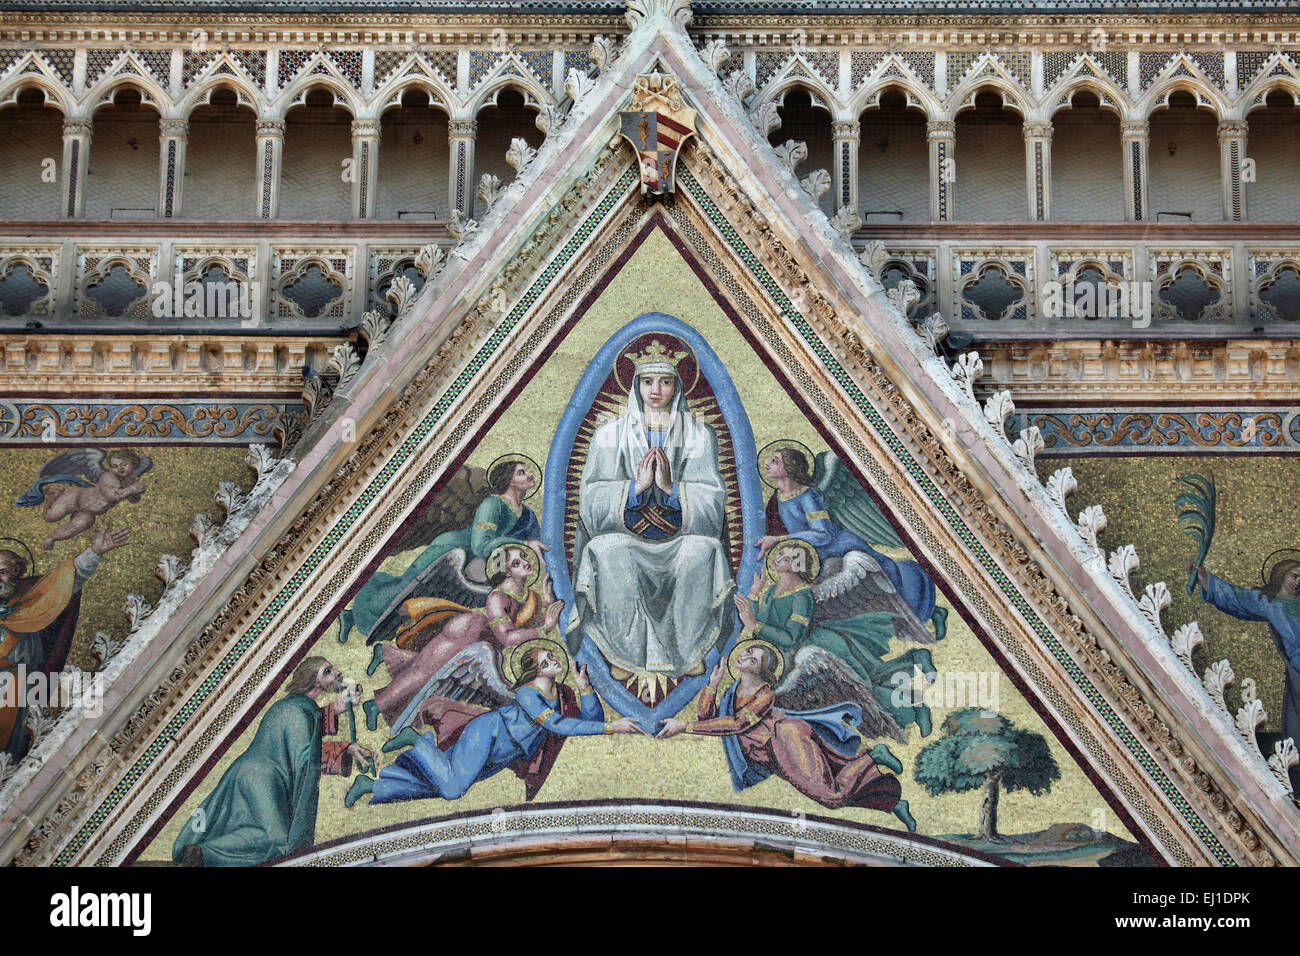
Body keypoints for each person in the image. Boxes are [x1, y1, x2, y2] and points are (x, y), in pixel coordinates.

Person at [566, 338, 734, 686]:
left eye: (665, 381)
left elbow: (713, 499)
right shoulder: (608, 435)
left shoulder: (700, 435)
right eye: (647, 381)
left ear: (678, 386)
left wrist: (673, 491)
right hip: (628, 537)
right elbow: (591, 499)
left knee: (702, 551)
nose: (656, 390)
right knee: (606, 550)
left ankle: (686, 653)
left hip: (681, 538)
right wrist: (633, 489)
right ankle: (623, 653)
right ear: (635, 385)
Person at [656, 641, 917, 831]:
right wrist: (712, 685)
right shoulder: (732, 692)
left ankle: (874, 755)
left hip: (785, 738)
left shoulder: (764, 695)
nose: (745, 656)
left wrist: (683, 726)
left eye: (753, 658)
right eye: (747, 652)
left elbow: (736, 724)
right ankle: (894, 803)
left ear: (761, 670)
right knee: (837, 778)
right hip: (774, 754)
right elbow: (709, 721)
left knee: (830, 795)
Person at [346, 641, 642, 807]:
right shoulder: (528, 693)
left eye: (553, 657)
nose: (554, 660)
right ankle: (415, 739)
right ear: (535, 669)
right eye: (547, 658)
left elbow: (592, 721)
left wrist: (586, 687)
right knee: (452, 790)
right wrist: (613, 728)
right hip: (486, 735)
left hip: (504, 755)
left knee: (434, 784)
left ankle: (373, 786)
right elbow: (559, 726)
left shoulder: (562, 694)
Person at [171, 657, 374, 866]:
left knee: (251, 828)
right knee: (279, 842)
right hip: (263, 778)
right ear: (314, 681)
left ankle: (203, 850)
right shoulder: (298, 711)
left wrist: (337, 711)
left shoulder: (291, 707)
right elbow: (304, 757)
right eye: (328, 671)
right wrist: (344, 750)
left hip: (246, 773)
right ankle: (205, 854)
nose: (337, 672)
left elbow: (301, 736)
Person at [738, 537, 935, 736]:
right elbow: (760, 626)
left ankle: (915, 709)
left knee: (864, 688)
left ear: (797, 565)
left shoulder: (802, 596)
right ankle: (914, 661)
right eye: (780, 553)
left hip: (822, 644)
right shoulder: (772, 590)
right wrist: (754, 595)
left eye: (785, 557)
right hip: (791, 652)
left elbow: (791, 638)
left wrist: (754, 623)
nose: (778, 556)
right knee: (870, 677)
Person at [338, 458, 545, 642]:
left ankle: (350, 617)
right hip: (450, 550)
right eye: (521, 472)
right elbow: (480, 545)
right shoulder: (493, 504)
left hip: (469, 569)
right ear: (509, 480)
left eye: (527, 471)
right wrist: (524, 546)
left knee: (422, 607)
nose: (529, 474)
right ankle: (358, 612)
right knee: (404, 591)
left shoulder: (523, 514)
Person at [363, 544, 562, 730]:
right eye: (516, 563)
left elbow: (523, 624)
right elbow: (507, 637)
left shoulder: (528, 595)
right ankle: (375, 705)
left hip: (480, 642)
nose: (526, 562)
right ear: (507, 572)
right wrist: (543, 629)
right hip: (467, 632)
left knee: (429, 669)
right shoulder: (497, 598)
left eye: (524, 557)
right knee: (425, 672)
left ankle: (386, 654)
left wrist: (545, 606)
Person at [756, 447, 944, 640]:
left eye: (775, 461)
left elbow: (823, 534)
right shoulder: (779, 498)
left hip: (840, 548)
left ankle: (926, 613)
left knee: (874, 579)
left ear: (789, 467)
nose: (766, 464)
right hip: (813, 555)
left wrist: (780, 540)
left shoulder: (808, 496)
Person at [0, 528, 130, 760]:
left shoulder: (31, 599)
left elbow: (65, 581)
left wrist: (94, 552)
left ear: (17, 571)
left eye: (2, 572)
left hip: (17, 685)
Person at [1192, 558, 1300, 746]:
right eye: (1295, 576)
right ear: (1282, 575)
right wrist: (1208, 581)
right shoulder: (1269, 601)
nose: (1298, 581)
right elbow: (1239, 598)